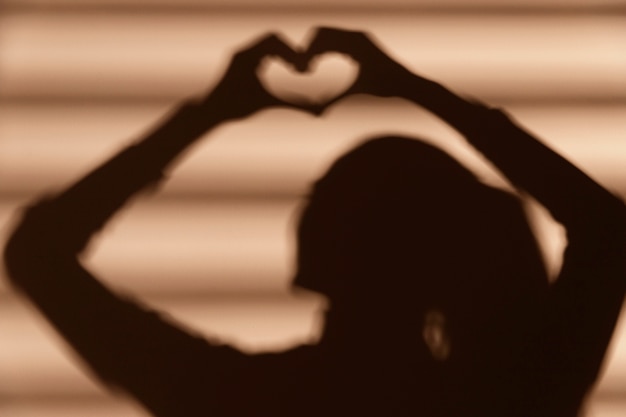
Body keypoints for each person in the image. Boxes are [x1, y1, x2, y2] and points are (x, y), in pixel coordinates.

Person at [4, 27, 625, 417]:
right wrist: (416, 89)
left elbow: (37, 252)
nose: (307, 207)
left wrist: (208, 115)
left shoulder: (240, 399)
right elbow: (607, 228)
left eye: (325, 193)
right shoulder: (515, 396)